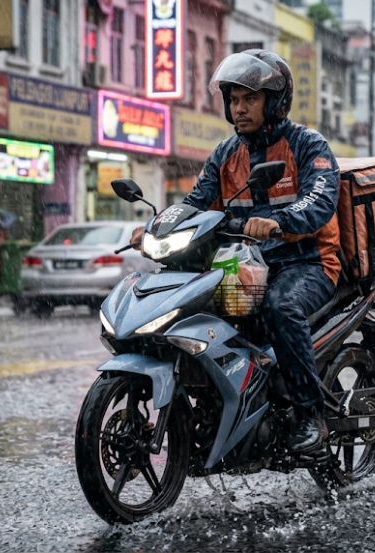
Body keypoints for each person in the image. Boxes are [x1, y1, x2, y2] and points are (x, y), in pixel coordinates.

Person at [134, 50, 340, 453]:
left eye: (250, 99)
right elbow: (194, 204)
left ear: (275, 101)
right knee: (196, 313)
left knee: (281, 307)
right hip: (244, 266)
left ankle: (309, 415)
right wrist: (154, 228)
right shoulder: (226, 154)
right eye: (234, 100)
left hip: (307, 263)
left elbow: (320, 198)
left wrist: (280, 221)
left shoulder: (307, 144)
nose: (240, 108)